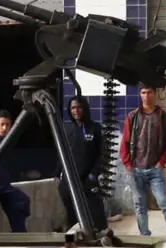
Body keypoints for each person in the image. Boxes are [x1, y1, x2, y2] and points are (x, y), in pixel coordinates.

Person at [120, 83, 166, 248]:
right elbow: (125, 143)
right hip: (136, 170)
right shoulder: (132, 117)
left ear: (155, 94)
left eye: (149, 92)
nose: (146, 95)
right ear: (140, 94)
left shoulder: (164, 117)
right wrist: (128, 164)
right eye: (143, 92)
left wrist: (160, 163)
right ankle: (144, 238)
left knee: (164, 202)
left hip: (155, 170)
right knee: (140, 205)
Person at [54, 95, 108, 232]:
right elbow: (63, 153)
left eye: (79, 107)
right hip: (70, 177)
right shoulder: (67, 130)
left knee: (94, 211)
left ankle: (99, 235)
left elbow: (102, 155)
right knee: (69, 206)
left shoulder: (95, 128)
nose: (76, 111)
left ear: (84, 108)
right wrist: (56, 174)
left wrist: (94, 174)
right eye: (73, 108)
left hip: (88, 178)